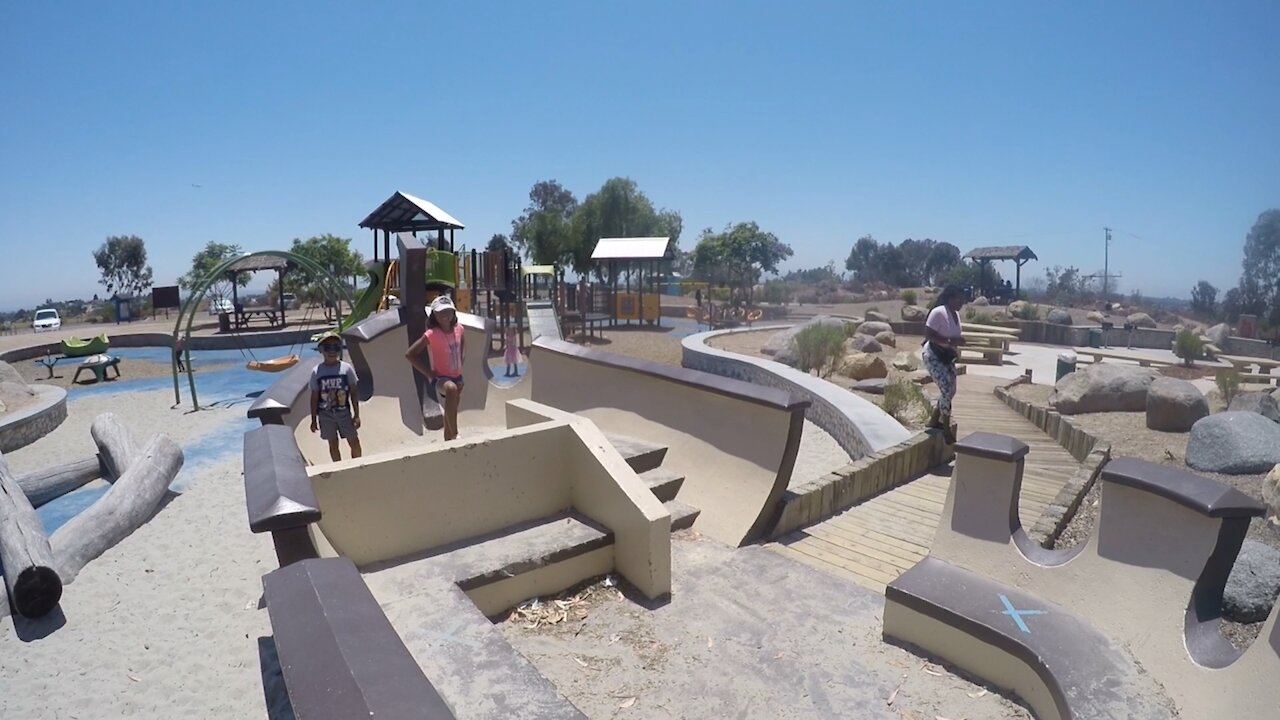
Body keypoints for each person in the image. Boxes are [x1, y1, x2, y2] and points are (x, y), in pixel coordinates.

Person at [406, 295, 466, 441]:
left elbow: (461, 347)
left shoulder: (459, 329)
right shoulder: (432, 334)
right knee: (450, 389)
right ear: (434, 315)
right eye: (440, 312)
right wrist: (429, 373)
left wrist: (460, 367)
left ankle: (447, 441)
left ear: (453, 313)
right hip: (441, 378)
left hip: (456, 376)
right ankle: (456, 433)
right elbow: (410, 354)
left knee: (451, 411)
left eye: (448, 311)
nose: (445, 315)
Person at [922, 285, 966, 443]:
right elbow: (928, 334)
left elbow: (954, 337)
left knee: (951, 389)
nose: (961, 302)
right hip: (933, 355)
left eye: (963, 299)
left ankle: (934, 419)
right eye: (958, 299)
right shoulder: (938, 312)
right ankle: (945, 427)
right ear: (950, 298)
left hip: (947, 357)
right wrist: (949, 341)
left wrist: (957, 343)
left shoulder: (956, 315)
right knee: (946, 389)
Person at [309, 332, 362, 462]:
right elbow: (314, 397)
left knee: (353, 440)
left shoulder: (346, 369)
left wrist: (356, 415)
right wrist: (314, 419)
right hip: (325, 414)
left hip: (344, 412)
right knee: (333, 443)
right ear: (321, 350)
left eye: (336, 347)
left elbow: (354, 393)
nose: (332, 351)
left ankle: (357, 465)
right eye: (328, 347)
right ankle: (338, 467)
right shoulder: (317, 372)